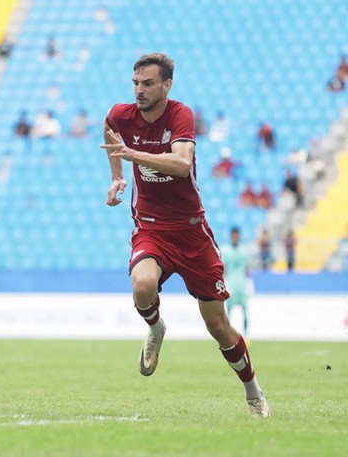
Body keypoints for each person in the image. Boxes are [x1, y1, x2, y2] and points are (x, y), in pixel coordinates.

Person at [100, 53, 269, 417]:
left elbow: (180, 164)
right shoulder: (121, 115)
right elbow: (108, 128)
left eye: (147, 84)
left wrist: (132, 154)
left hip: (191, 232)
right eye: (135, 83)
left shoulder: (180, 115)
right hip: (150, 227)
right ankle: (156, 327)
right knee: (142, 285)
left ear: (166, 85)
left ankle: (252, 390)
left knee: (219, 327)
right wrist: (117, 174)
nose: (139, 90)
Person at [221, 227, 250, 337]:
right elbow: (224, 268)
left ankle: (246, 335)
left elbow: (247, 268)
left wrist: (249, 282)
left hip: (242, 285)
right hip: (231, 284)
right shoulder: (226, 250)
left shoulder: (243, 250)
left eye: (236, 236)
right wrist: (224, 283)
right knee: (228, 312)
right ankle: (227, 335)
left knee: (245, 311)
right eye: (233, 236)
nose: (235, 238)